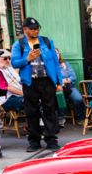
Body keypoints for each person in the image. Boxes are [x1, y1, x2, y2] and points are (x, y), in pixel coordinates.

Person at [11, 17, 63, 152]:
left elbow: (55, 63)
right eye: (33, 29)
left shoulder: (46, 41)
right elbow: (14, 63)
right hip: (30, 82)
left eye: (37, 28)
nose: (36, 30)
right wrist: (27, 58)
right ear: (25, 30)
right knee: (31, 112)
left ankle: (51, 140)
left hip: (47, 80)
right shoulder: (19, 45)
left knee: (50, 111)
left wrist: (59, 81)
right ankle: (34, 141)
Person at [55, 49, 86, 124]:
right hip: (58, 89)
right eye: (54, 53)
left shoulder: (66, 64)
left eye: (57, 53)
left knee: (78, 99)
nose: (56, 55)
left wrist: (63, 80)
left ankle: (80, 118)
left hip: (70, 87)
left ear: (59, 54)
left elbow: (73, 77)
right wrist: (64, 80)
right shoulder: (50, 66)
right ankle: (61, 119)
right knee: (59, 98)